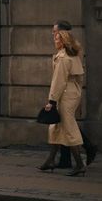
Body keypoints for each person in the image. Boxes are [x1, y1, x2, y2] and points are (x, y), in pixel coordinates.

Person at [39, 30, 86, 176]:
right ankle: (50, 160)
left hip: (65, 94)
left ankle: (79, 164)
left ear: (63, 41)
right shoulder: (72, 55)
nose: (54, 40)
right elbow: (79, 79)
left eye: (57, 38)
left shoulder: (63, 57)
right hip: (71, 92)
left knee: (68, 127)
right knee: (56, 127)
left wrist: (51, 101)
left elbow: (58, 81)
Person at [52, 20, 97, 168]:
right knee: (65, 124)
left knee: (68, 124)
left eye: (55, 31)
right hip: (69, 90)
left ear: (62, 32)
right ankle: (65, 160)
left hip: (67, 90)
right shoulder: (69, 46)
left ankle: (86, 150)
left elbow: (72, 72)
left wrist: (53, 98)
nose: (53, 34)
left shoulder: (71, 48)